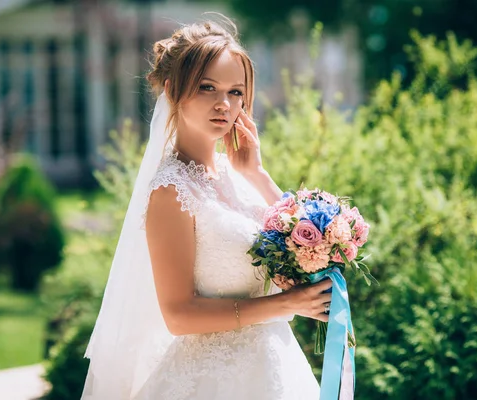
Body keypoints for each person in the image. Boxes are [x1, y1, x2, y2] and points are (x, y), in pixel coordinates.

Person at [81, 15, 332, 400]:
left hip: (275, 366)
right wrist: (284, 304)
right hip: (212, 382)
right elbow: (178, 315)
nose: (224, 104)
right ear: (173, 90)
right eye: (207, 87)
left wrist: (259, 173)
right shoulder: (170, 190)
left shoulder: (239, 174)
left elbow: (302, 242)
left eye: (236, 92)